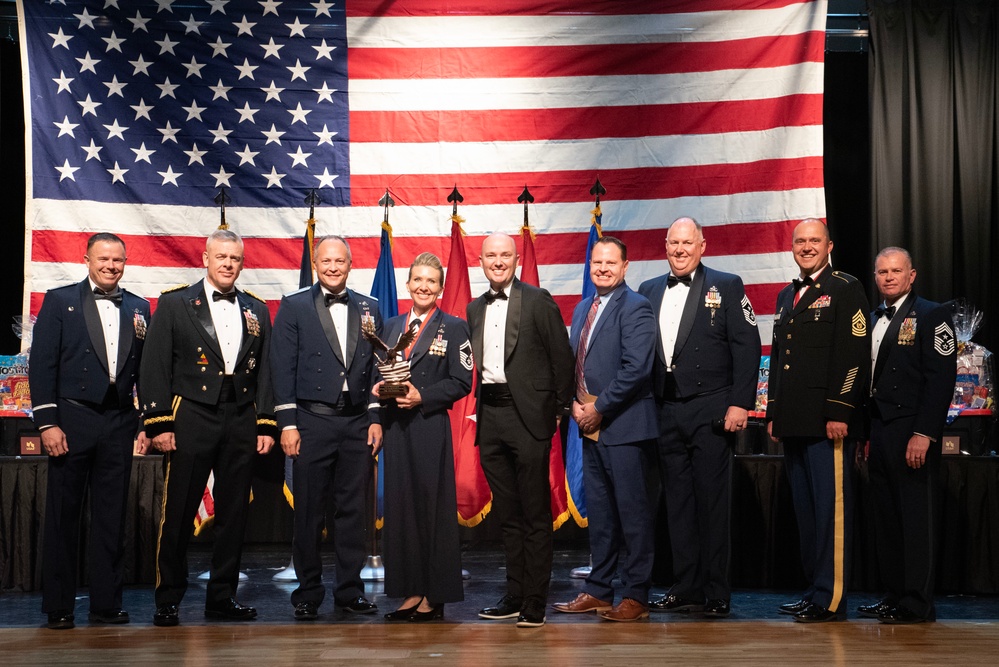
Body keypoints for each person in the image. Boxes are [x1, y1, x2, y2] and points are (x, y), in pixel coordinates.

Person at [141, 229, 277, 627]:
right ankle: (168, 599)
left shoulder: (257, 309)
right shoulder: (175, 303)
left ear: (242, 262)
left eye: (235, 258)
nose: (227, 264)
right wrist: (159, 422)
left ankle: (222, 598)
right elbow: (154, 366)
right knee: (180, 511)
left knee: (234, 513)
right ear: (205, 258)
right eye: (221, 257)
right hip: (191, 416)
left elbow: (266, 372)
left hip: (240, 417)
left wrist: (266, 423)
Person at [638, 218, 761, 618]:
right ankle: (687, 585)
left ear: (702, 246)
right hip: (664, 411)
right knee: (677, 505)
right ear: (665, 245)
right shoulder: (649, 289)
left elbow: (747, 345)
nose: (679, 249)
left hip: (711, 411)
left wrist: (741, 403)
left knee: (712, 504)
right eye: (673, 242)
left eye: (687, 243)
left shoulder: (727, 285)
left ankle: (716, 589)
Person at [29, 233, 150, 630]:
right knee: (64, 517)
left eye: (118, 260)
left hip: (118, 424)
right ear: (86, 260)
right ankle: (59, 606)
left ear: (126, 262)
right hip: (71, 421)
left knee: (111, 519)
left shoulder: (139, 307)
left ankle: (106, 603)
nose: (111, 266)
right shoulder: (60, 301)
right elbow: (42, 365)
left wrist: (146, 423)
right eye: (103, 258)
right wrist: (48, 423)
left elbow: (145, 373)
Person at [269, 235, 383, 621]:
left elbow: (376, 371)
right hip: (311, 422)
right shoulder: (294, 305)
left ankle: (350, 591)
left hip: (355, 423)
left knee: (352, 513)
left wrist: (375, 417)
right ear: (316, 265)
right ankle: (307, 593)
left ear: (351, 264)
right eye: (326, 261)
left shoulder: (371, 307)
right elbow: (281, 368)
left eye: (340, 261)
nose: (333, 268)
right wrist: (287, 423)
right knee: (309, 514)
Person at [466, 233, 574, 628]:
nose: (498, 261)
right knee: (507, 514)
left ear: (516, 260)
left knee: (534, 513)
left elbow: (561, 357)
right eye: (491, 255)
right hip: (490, 417)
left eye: (505, 255)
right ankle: (513, 594)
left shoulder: (538, 299)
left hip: (529, 417)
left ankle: (534, 600)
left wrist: (559, 411)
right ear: (480, 261)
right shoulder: (474, 308)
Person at [766, 218, 870, 623]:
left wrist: (840, 410)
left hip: (827, 422)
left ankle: (831, 598)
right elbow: (778, 361)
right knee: (807, 514)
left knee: (831, 513)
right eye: (800, 241)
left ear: (829, 246)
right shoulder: (785, 295)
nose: (806, 246)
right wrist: (773, 413)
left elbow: (854, 354)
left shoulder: (846, 288)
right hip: (793, 421)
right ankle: (814, 590)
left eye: (814, 240)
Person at [552, 236, 658, 622]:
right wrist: (576, 407)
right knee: (602, 514)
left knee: (632, 514)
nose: (602, 268)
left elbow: (636, 370)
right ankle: (599, 590)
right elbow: (575, 363)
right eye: (597, 262)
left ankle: (636, 594)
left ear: (625, 266)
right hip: (589, 428)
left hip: (625, 427)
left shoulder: (637, 307)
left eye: (611, 263)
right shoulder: (583, 309)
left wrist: (599, 408)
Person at [859, 247, 955, 624]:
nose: (888, 277)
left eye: (896, 271)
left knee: (915, 520)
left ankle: (917, 602)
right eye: (882, 271)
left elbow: (940, 380)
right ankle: (894, 594)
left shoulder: (933, 315)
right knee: (886, 519)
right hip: (880, 430)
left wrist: (925, 433)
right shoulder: (869, 318)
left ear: (911, 275)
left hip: (911, 431)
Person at [376, 252, 473, 622]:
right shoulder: (390, 326)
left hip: (430, 426)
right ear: (408, 283)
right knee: (401, 511)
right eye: (418, 279)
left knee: (432, 512)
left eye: (431, 281)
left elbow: (461, 380)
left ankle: (435, 595)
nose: (423, 286)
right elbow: (380, 371)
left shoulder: (455, 327)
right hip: (396, 430)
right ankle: (410, 591)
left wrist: (423, 395)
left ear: (441, 288)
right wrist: (378, 390)